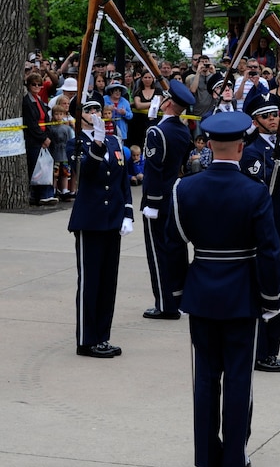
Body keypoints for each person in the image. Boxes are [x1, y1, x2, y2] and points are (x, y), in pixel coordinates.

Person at [166, 110, 280, 467]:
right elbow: (269, 250)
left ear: (208, 145)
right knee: (237, 378)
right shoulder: (254, 190)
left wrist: (180, 289)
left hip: (201, 290)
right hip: (241, 294)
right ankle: (234, 459)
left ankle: (207, 459)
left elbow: (173, 244)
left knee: (204, 378)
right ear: (241, 147)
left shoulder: (184, 187)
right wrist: (271, 298)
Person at [240, 93, 280, 372]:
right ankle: (259, 350)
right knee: (265, 291)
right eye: (266, 116)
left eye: (275, 114)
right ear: (255, 121)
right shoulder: (252, 151)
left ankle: (271, 350)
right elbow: (265, 189)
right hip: (264, 232)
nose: (274, 119)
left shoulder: (279, 144)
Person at [67, 100, 133, 358]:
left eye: (97, 110)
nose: (95, 115)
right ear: (79, 116)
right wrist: (95, 142)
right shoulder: (76, 143)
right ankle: (86, 340)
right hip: (90, 221)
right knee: (90, 282)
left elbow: (122, 181)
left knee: (108, 282)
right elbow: (85, 174)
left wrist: (127, 212)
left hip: (113, 220)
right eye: (89, 111)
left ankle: (102, 337)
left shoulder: (115, 141)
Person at [141, 81, 196, 320]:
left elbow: (153, 169)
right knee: (175, 250)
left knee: (158, 252)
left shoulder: (157, 132)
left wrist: (151, 203)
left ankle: (165, 304)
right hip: (175, 195)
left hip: (159, 199)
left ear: (167, 102)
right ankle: (178, 298)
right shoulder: (182, 130)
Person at [22, 72, 58, 205]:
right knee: (37, 168)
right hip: (34, 140)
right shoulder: (27, 102)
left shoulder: (40, 101)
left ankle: (46, 194)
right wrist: (43, 138)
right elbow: (32, 124)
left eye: (39, 84)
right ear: (28, 85)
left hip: (45, 138)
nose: (37, 86)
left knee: (45, 167)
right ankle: (39, 195)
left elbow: (46, 121)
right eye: (33, 84)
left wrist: (47, 137)